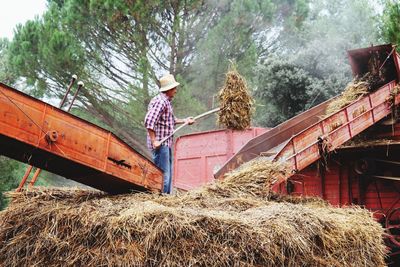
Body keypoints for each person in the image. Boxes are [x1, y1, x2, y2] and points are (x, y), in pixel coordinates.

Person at [144, 73, 195, 194]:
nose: (176, 91)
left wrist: (185, 120)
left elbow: (170, 120)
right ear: (169, 89)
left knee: (167, 173)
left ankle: (165, 198)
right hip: (161, 144)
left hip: (166, 143)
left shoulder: (165, 102)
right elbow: (149, 121)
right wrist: (154, 140)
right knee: (164, 175)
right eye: (174, 88)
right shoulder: (161, 102)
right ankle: (162, 200)